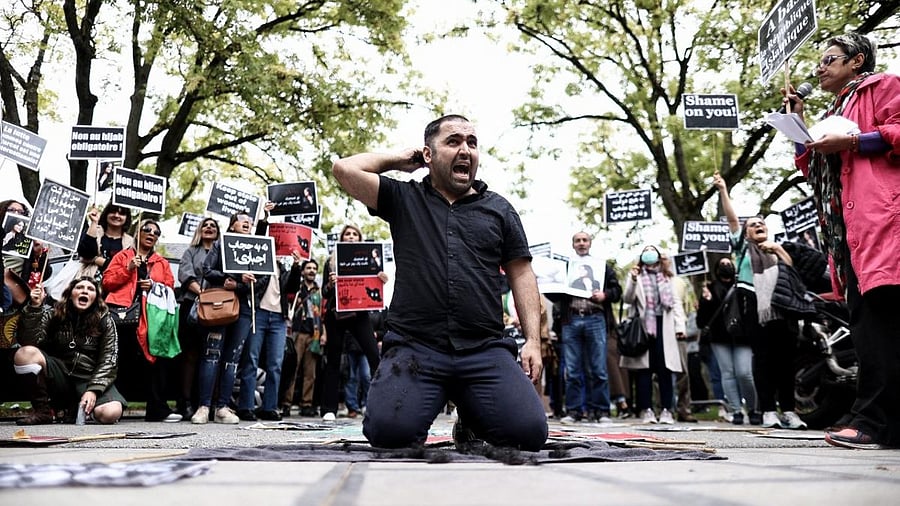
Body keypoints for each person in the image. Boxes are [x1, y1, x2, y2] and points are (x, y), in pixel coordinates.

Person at [332, 114, 548, 450]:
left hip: (484, 349)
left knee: (528, 434)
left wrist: (533, 340)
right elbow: (344, 169)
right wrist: (399, 161)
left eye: (472, 143)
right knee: (390, 436)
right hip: (415, 348)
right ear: (428, 155)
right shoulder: (403, 198)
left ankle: (472, 417)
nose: (466, 150)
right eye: (453, 141)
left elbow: (521, 273)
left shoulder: (500, 210)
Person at [784, 32, 900, 449]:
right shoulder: (836, 107)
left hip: (882, 223)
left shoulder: (883, 86)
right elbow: (811, 166)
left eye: (830, 59)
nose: (820, 67)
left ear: (857, 61)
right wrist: (798, 124)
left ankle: (870, 422)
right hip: (848, 234)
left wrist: (852, 141)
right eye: (819, 61)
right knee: (868, 326)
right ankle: (881, 422)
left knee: (879, 323)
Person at [715, 174, 807, 430]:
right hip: (754, 307)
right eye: (753, 224)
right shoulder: (742, 248)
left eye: (762, 223)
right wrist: (723, 189)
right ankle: (768, 410)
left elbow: (791, 273)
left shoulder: (778, 249)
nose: (758, 225)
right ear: (745, 233)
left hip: (781, 310)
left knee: (786, 362)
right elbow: (733, 220)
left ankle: (789, 410)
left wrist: (776, 249)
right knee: (764, 359)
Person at [13, 276, 125, 425]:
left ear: (95, 298)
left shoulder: (105, 319)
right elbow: (29, 341)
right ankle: (43, 411)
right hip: (59, 374)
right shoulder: (53, 314)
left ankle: (76, 409)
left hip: (89, 377)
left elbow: (109, 359)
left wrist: (94, 389)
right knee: (24, 354)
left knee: (110, 413)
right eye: (79, 288)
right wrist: (34, 308)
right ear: (70, 294)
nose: (85, 291)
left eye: (90, 289)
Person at [103, 219, 178, 422]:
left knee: (154, 361)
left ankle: (157, 410)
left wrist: (153, 285)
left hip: (152, 318)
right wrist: (127, 268)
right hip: (123, 317)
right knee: (122, 361)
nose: (151, 233)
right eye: (147, 229)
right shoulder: (123, 256)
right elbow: (107, 282)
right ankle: (113, 407)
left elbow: (170, 288)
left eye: (156, 232)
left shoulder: (162, 262)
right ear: (139, 232)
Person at [235, 204, 303, 422]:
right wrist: (265, 219)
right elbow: (257, 238)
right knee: (251, 360)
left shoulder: (282, 267)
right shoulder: (257, 260)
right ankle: (245, 406)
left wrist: (296, 267)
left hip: (278, 319)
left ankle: (269, 407)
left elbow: (292, 288)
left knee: (275, 364)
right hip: (259, 314)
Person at [191, 211, 260, 425]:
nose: (247, 222)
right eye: (242, 220)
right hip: (220, 305)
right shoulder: (221, 245)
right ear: (232, 226)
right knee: (212, 355)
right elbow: (206, 270)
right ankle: (204, 406)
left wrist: (239, 285)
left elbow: (261, 282)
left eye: (250, 221)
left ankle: (222, 408)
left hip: (245, 309)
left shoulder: (259, 247)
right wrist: (228, 279)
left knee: (233, 359)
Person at [549, 232, 622, 424]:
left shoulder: (602, 267)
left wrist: (605, 295)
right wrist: (552, 284)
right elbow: (553, 295)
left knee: (598, 369)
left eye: (584, 240)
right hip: (571, 320)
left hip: (595, 319)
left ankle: (602, 411)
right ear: (572, 245)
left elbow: (617, 291)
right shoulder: (565, 267)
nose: (581, 243)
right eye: (577, 241)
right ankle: (574, 411)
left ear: (590, 243)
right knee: (572, 370)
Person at [319, 224, 383, 422]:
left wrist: (381, 279)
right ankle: (328, 409)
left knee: (374, 357)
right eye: (348, 234)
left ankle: (383, 403)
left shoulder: (370, 260)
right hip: (336, 314)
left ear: (360, 238)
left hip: (360, 314)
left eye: (355, 234)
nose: (351, 237)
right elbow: (324, 292)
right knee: (334, 360)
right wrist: (331, 284)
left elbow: (374, 291)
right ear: (342, 238)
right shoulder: (330, 262)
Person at [620, 245, 684, 425]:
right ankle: (646, 410)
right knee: (644, 370)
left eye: (652, 250)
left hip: (665, 326)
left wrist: (680, 327)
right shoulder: (636, 276)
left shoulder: (668, 277)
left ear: (658, 256)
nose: (649, 253)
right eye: (645, 250)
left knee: (665, 369)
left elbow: (676, 303)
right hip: (644, 327)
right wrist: (632, 280)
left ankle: (666, 410)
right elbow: (627, 299)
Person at [697, 257, 759, 425]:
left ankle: (754, 408)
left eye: (728, 263)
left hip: (742, 337)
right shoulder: (709, 288)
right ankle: (736, 410)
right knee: (728, 374)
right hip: (719, 338)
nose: (726, 266)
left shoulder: (742, 287)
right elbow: (701, 322)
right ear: (716, 269)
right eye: (722, 264)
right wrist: (705, 302)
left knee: (744, 373)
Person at [174, 217, 221, 420]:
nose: (209, 228)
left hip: (218, 308)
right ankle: (184, 403)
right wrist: (202, 292)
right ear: (200, 231)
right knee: (190, 355)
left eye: (213, 226)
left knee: (211, 355)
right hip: (193, 305)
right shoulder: (191, 252)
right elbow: (185, 274)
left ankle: (206, 402)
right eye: (206, 225)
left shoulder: (222, 253)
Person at [279, 259, 324, 418]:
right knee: (293, 369)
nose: (311, 270)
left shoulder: (319, 290)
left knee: (310, 373)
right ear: (303, 271)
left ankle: (307, 404)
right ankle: (286, 403)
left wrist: (323, 334)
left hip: (314, 334)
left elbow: (322, 314)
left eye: (314, 268)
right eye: (308, 268)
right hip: (297, 332)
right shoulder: (297, 288)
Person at [77, 201, 134, 281]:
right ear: (106, 214)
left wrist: (96, 260)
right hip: (89, 283)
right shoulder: (94, 231)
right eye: (113, 212)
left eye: (121, 214)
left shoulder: (131, 242)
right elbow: (85, 253)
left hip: (116, 284)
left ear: (127, 218)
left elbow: (126, 267)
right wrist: (94, 222)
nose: (116, 215)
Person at [671, 272, 699, 423]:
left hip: (678, 331)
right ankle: (662, 409)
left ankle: (684, 409)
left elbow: (680, 306)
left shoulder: (678, 282)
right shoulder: (649, 278)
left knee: (683, 372)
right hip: (658, 331)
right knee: (658, 374)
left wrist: (681, 327)